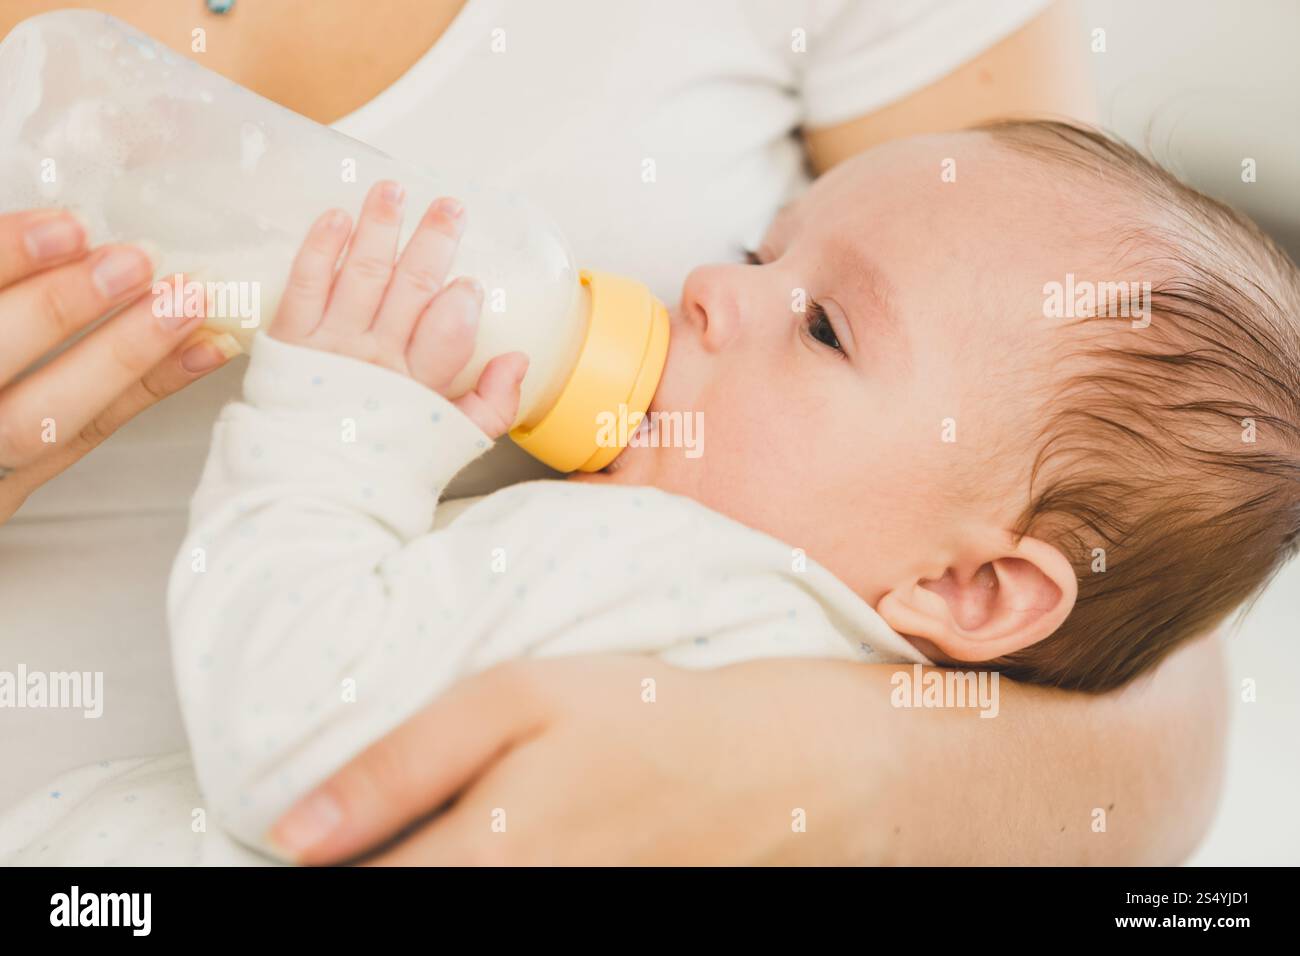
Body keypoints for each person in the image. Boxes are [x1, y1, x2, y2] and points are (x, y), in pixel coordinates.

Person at [0, 0, 1227, 864]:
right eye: (761, 248)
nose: (708, 283)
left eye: (824, 330)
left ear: (974, 585)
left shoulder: (662, 587)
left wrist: (337, 426)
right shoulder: (760, 595)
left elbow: (292, 739)